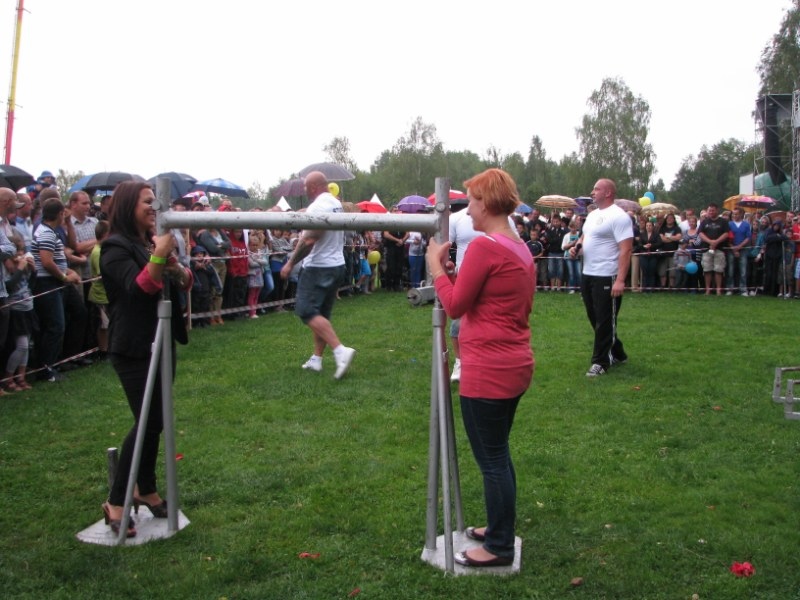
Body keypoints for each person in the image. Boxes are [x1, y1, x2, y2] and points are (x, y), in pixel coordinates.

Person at [426, 168, 535, 568]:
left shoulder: (486, 247)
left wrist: (436, 268)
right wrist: (453, 275)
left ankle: (499, 547)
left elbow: (455, 306)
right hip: (513, 362)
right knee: (499, 454)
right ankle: (498, 529)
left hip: (488, 368)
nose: (467, 209)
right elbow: (482, 295)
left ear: (487, 203)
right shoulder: (516, 246)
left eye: (471, 201)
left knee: (491, 461)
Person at [100, 181, 192, 538]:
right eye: (147, 202)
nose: (154, 208)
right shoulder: (115, 247)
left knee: (156, 420)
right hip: (133, 346)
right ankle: (117, 500)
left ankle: (147, 489)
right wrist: (158, 256)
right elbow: (137, 289)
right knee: (148, 420)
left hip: (161, 340)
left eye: (155, 201)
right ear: (128, 206)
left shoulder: (147, 244)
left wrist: (172, 263)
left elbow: (182, 282)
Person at [280, 171, 355, 379]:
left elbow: (309, 240)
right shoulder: (335, 203)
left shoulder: (318, 207)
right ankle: (316, 359)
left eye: (306, 186)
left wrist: (290, 263)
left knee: (305, 310)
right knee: (320, 313)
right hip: (336, 264)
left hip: (318, 267)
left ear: (313, 187)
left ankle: (340, 351)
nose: (304, 190)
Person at [570, 178, 633, 376]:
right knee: (594, 317)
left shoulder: (619, 217)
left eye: (596, 189)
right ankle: (618, 352)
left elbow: (626, 249)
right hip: (588, 273)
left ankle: (601, 362)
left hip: (607, 275)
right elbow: (585, 237)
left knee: (605, 320)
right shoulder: (592, 215)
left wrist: (620, 280)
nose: (592, 192)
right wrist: (577, 248)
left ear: (608, 193)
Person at [31, 197, 82, 382]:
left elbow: (56, 260)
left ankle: (50, 366)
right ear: (60, 214)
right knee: (55, 326)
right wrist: (64, 277)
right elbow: (47, 262)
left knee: (58, 325)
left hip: (54, 282)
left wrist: (68, 271)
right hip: (47, 284)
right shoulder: (46, 233)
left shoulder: (49, 231)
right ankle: (46, 370)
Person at [697, 202, 728, 295]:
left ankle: (718, 290)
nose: (711, 212)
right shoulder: (704, 222)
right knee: (707, 270)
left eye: (713, 210)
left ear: (717, 210)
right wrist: (710, 242)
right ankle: (708, 289)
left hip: (719, 249)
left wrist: (716, 242)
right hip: (707, 249)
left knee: (719, 270)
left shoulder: (723, 221)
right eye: (709, 210)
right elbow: (700, 233)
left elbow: (726, 233)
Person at [725, 207, 751, 296]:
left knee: (743, 270)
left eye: (736, 214)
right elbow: (727, 237)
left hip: (743, 249)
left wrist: (739, 247)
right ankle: (730, 288)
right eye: (733, 214)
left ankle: (743, 289)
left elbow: (748, 237)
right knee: (730, 270)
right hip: (731, 249)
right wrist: (733, 248)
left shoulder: (746, 225)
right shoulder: (729, 224)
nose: (734, 215)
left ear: (741, 214)